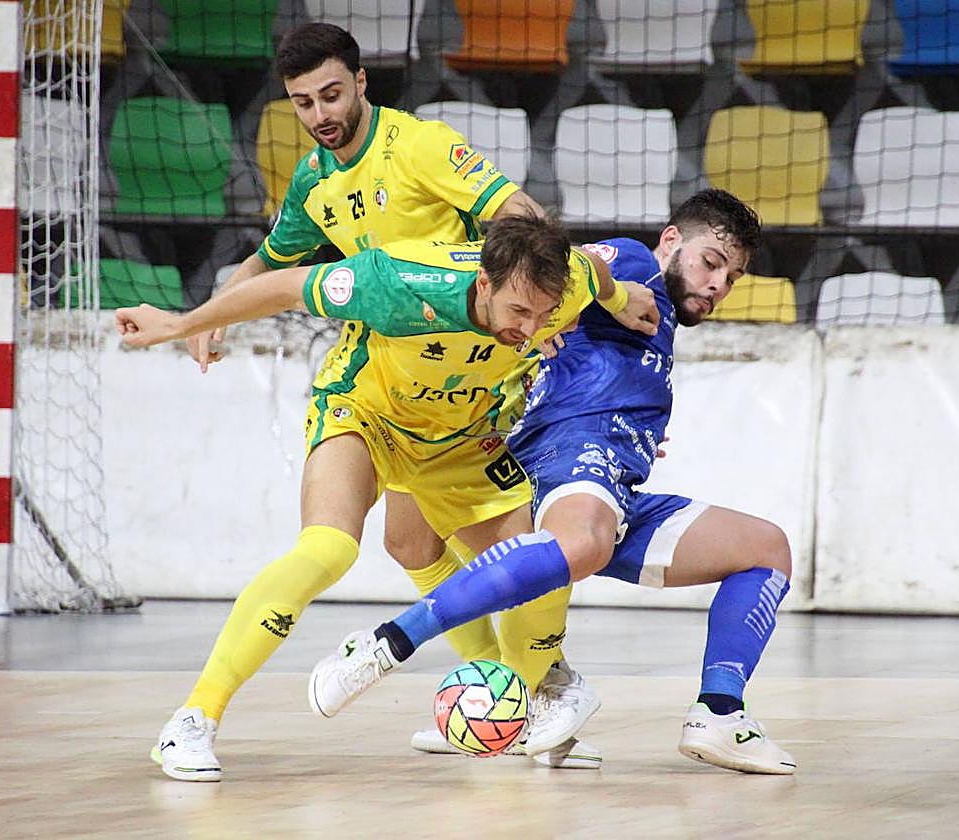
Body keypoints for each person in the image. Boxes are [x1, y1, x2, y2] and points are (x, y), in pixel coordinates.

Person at [117, 214, 660, 781]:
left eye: (543, 315)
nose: (530, 329)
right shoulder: (399, 279)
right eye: (518, 313)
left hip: (459, 437)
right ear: (483, 283)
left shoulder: (564, 279)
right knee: (327, 550)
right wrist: (179, 324)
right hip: (365, 413)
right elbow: (283, 286)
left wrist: (621, 300)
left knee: (542, 562)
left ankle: (514, 708)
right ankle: (193, 719)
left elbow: (593, 272)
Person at [309, 189, 799, 775]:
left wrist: (632, 418)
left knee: (766, 549)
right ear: (670, 241)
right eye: (710, 262)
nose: (719, 284)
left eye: (733, 276)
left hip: (614, 478)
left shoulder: (653, 323)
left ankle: (717, 712)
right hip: (569, 459)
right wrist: (547, 327)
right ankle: (389, 644)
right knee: (573, 543)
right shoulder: (635, 264)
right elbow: (556, 263)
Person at [191, 21, 570, 731]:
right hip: (379, 378)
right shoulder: (313, 178)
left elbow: (521, 217)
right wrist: (213, 310)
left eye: (331, 95)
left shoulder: (419, 147)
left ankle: (525, 697)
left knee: (475, 553)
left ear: (362, 83)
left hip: (462, 378)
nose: (320, 116)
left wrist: (538, 312)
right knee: (378, 544)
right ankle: (500, 702)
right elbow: (274, 264)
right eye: (302, 103)